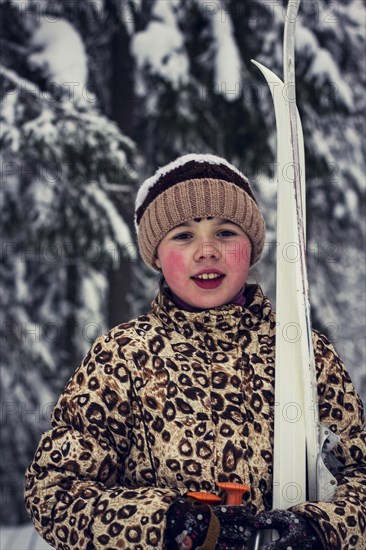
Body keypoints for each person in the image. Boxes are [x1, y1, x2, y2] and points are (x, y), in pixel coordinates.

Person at [25, 154, 365, 550]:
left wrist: (323, 532)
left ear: (251, 248)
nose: (207, 250)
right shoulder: (123, 355)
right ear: (155, 256)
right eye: (183, 235)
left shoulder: (304, 355)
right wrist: (169, 527)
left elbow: (358, 471)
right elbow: (53, 491)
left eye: (225, 232)